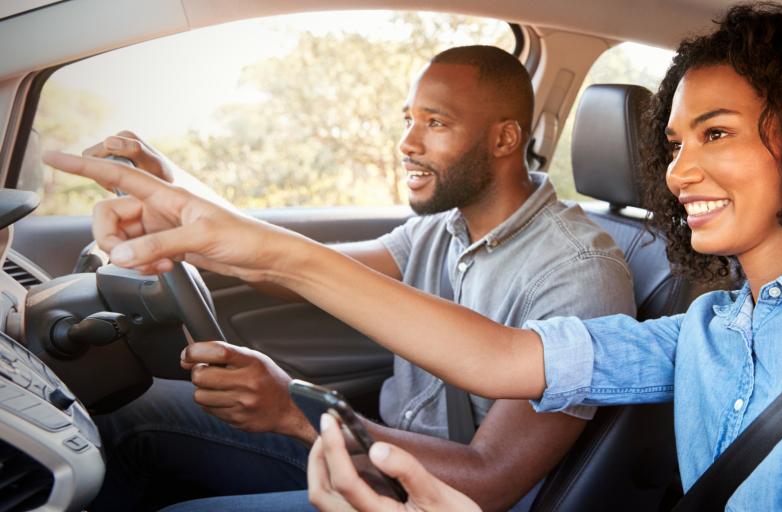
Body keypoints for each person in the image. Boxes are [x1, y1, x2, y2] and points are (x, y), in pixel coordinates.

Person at [44, 3, 782, 510]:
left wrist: (299, 411)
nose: (679, 172)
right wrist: (250, 244)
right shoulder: (711, 324)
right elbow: (504, 359)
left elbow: (495, 466)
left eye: (716, 134)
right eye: (674, 144)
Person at [78, 45, 636, 511]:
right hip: (374, 450)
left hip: (432, 496)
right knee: (128, 419)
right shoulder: (444, 227)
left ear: (504, 140)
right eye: (408, 120)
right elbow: (295, 270)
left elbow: (491, 478)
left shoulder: (581, 274)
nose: (407, 143)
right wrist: (177, 200)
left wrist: (293, 411)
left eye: (435, 123)